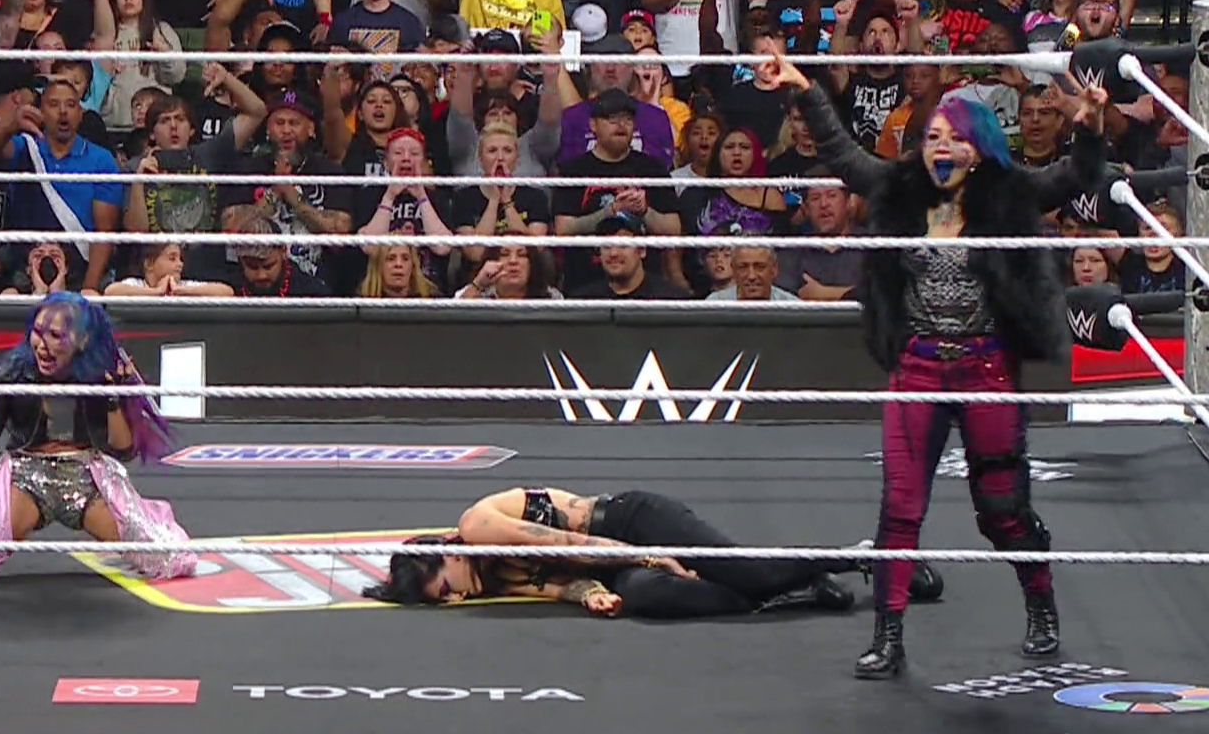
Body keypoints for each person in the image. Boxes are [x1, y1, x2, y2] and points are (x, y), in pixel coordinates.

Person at [764, 51, 1108, 678]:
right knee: (899, 507)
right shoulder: (901, 191)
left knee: (1002, 510)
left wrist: (1088, 126)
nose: (940, 148)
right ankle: (888, 636)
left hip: (986, 369)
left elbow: (1072, 178)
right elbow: (844, 157)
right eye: (932, 138)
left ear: (977, 149)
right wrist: (806, 89)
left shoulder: (1007, 194)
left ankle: (1040, 602)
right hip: (918, 365)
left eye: (953, 139)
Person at [0, 292, 197, 585]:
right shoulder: (14, 373)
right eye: (37, 332)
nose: (42, 346)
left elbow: (123, 449)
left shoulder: (100, 377)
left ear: (82, 340)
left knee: (171, 560)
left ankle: (154, 520)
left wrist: (114, 399)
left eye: (55, 336)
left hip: (86, 479)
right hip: (25, 477)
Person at [364, 487, 863, 619]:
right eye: (442, 601)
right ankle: (792, 587)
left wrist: (649, 556)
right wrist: (589, 596)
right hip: (617, 563)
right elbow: (558, 583)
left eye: (444, 590)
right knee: (647, 598)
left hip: (630, 523)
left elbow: (570, 545)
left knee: (738, 569)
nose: (455, 599)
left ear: (449, 554)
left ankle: (856, 556)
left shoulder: (478, 526)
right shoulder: (491, 578)